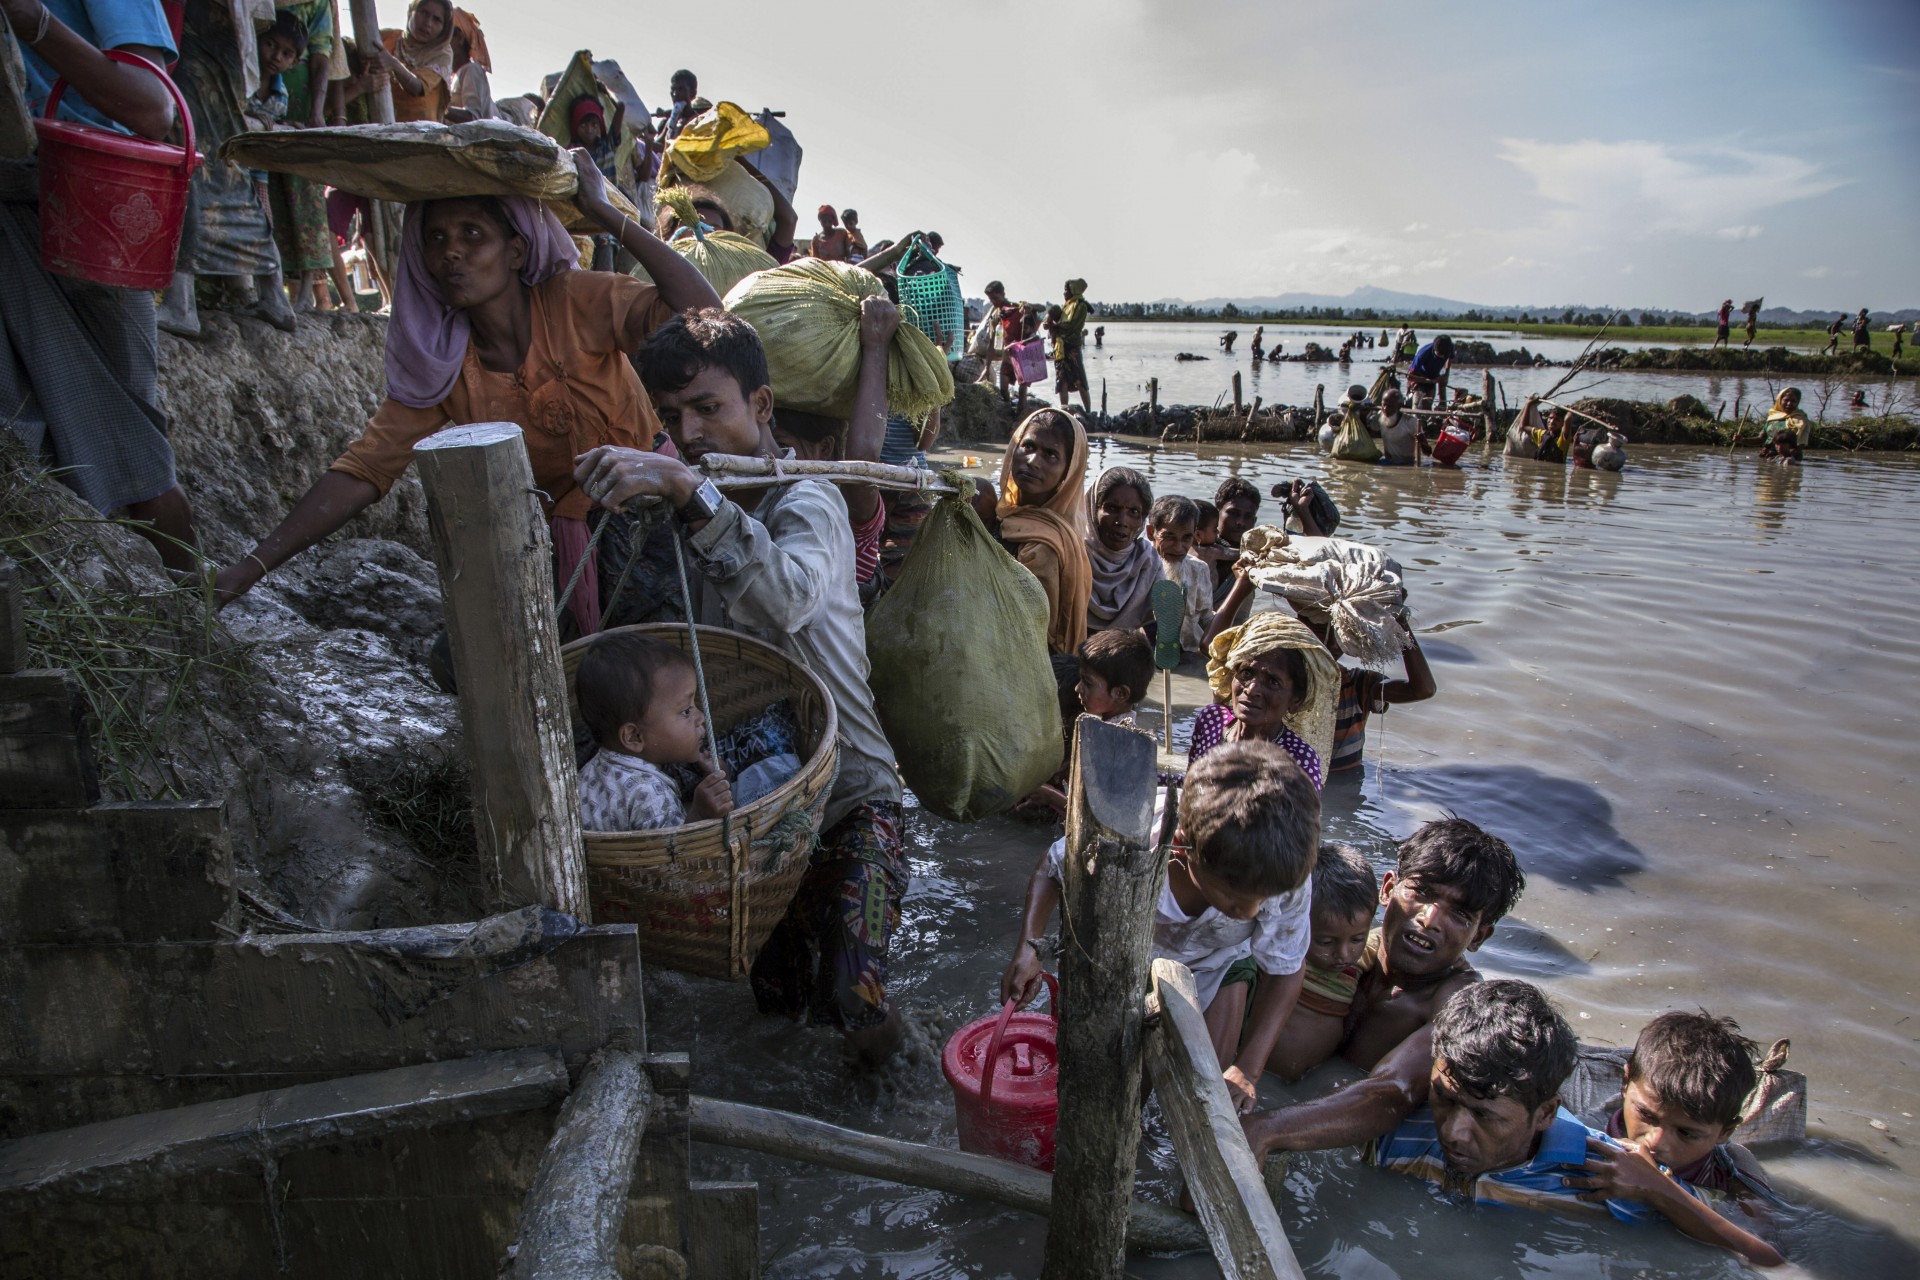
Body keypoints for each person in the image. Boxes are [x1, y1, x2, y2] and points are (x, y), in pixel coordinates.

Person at [572, 308, 909, 1063]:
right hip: (760, 809)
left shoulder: (809, 502)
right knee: (778, 1005)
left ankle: (898, 1082)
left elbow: (785, 596)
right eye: (671, 416)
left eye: (708, 408)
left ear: (761, 408)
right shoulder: (690, 518)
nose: (689, 433)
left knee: (856, 995)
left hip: (853, 795)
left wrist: (688, 492)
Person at [211, 152, 724, 624]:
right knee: (463, 665)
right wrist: (249, 568)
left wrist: (610, 216)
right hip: (555, 543)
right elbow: (364, 470)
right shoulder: (443, 366)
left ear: (517, 251)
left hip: (650, 522)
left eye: (473, 235)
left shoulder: (576, 301)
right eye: (436, 239)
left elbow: (702, 315)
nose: (451, 254)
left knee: (652, 669)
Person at [1004, 740, 1318, 1111]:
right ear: (1184, 847)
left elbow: (1284, 969)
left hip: (1220, 960)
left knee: (1206, 1096)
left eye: (1263, 899)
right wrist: (1029, 947)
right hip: (1119, 955)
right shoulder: (1130, 834)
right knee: (1111, 1091)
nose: (1252, 912)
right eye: (1235, 898)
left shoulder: (1282, 870)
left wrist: (1248, 1068)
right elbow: (1052, 868)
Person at [4, 0, 206, 575]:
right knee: (21, 450)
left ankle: (196, 625)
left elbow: (153, 107)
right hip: (24, 211)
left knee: (133, 458)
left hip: (89, 217)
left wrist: (33, 23)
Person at [1244, 819, 1524, 1144]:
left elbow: (1394, 1091)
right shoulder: (1336, 946)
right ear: (1388, 889)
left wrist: (1267, 1129)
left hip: (1341, 1138)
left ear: (1480, 936)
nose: (1429, 919)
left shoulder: (1456, 1003)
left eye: (1459, 915)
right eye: (1421, 892)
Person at [1586, 1011, 1786, 1266]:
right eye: (1646, 1115)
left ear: (1725, 1132)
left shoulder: (1733, 1169)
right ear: (1625, 1083)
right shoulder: (1588, 1128)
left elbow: (1768, 1256)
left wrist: (1657, 1189)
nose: (1655, 1142)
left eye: (1686, 1133)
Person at [158, 3, 304, 338]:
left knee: (192, 153)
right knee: (219, 154)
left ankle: (181, 302)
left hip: (201, 25)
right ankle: (272, 293)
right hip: (220, 24)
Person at [769, 296, 897, 593]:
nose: (771, 457)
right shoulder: (763, 493)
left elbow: (862, 460)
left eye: (782, 445)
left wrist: (876, 347)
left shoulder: (849, 510)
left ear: (825, 449)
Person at [574, 632, 732, 831]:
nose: (700, 717)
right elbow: (674, 858)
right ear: (633, 736)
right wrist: (700, 815)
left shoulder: (593, 769)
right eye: (686, 711)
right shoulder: (651, 796)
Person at [1188, 610, 1339, 789]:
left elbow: (1302, 817)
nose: (1252, 690)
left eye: (1273, 682)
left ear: (1295, 700)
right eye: (1246, 673)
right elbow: (1188, 790)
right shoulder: (1212, 720)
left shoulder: (1298, 761)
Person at [1268, 842, 1376, 1080]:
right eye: (1326, 942)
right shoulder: (1282, 955)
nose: (1344, 954)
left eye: (1358, 939)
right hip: (1262, 1072)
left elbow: (1383, 941)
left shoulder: (1363, 959)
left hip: (1313, 1077)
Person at [991, 409, 1091, 654]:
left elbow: (1032, 633)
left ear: (1067, 473)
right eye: (1028, 446)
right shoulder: (998, 515)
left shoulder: (1045, 545)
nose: (1034, 461)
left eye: (1051, 455)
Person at [1310, 605, 1435, 774]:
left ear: (1345, 640)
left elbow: (1422, 690)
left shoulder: (1359, 683)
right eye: (1315, 633)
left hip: (1345, 782)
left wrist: (1399, 624)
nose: (1324, 643)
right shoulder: (1283, 682)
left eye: (1332, 634)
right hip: (1300, 783)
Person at [1083, 466, 1157, 632]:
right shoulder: (1072, 554)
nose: (1122, 521)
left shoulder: (1147, 561)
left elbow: (1158, 630)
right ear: (1093, 510)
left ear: (1143, 518)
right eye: (1112, 508)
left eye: (1133, 512)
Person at [1149, 495, 1212, 656]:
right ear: (1151, 533)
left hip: (1188, 653)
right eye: (1169, 537)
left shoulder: (1198, 569)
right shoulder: (1138, 567)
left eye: (1186, 538)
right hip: (1146, 654)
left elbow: (1206, 619)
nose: (1178, 548)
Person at [375, 0, 452, 123]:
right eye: (424, 13)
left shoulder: (441, 53)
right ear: (411, 12)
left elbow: (418, 88)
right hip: (379, 125)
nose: (428, 23)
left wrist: (393, 64)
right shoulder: (386, 37)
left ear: (444, 29)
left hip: (420, 133)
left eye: (437, 20)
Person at [1209, 476, 1261, 611]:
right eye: (1233, 513)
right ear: (1217, 512)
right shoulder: (1197, 547)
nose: (1241, 523)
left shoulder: (1255, 558)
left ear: (1254, 521)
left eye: (1248, 517)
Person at [445, 8, 492, 122]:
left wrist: (440, 109)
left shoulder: (471, 70)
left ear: (459, 38)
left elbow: (474, 118)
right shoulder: (450, 76)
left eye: (444, 36)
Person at [1053, 278, 1091, 414]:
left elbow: (1073, 325)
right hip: (1061, 348)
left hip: (1072, 347)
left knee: (1080, 379)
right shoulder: (1066, 305)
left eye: (1066, 290)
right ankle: (1064, 411)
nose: (1064, 293)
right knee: (1061, 379)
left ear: (1074, 291)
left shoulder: (1081, 306)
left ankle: (1088, 412)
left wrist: (1056, 326)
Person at [1368, 386, 1420, 465]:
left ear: (1399, 407)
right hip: (1387, 461)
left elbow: (1428, 451)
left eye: (1390, 406)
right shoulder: (1380, 418)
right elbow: (1370, 430)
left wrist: (1423, 443)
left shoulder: (1410, 421)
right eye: (1384, 405)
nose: (1385, 409)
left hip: (1406, 463)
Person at [1406, 334, 1452, 410]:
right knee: (1417, 405)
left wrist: (1447, 374)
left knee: (1428, 403)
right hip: (1418, 377)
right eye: (1439, 355)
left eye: (1444, 356)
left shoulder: (1449, 348)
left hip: (1433, 376)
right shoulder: (1423, 354)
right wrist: (1427, 380)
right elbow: (1409, 376)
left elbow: (1450, 358)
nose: (1442, 357)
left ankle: (1440, 408)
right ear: (1434, 350)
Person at [1760, 388, 1806, 464]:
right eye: (1786, 400)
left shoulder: (1801, 421)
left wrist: (1782, 456)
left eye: (1793, 401)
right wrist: (1742, 440)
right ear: (1780, 400)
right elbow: (1761, 438)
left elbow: (1800, 446)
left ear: (1798, 403)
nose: (1789, 403)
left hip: (1789, 459)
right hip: (1768, 456)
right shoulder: (1773, 418)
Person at [659, 68, 706, 141]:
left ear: (692, 93)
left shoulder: (698, 122)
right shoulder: (670, 122)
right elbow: (659, 145)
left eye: (680, 89)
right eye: (673, 89)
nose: (675, 94)